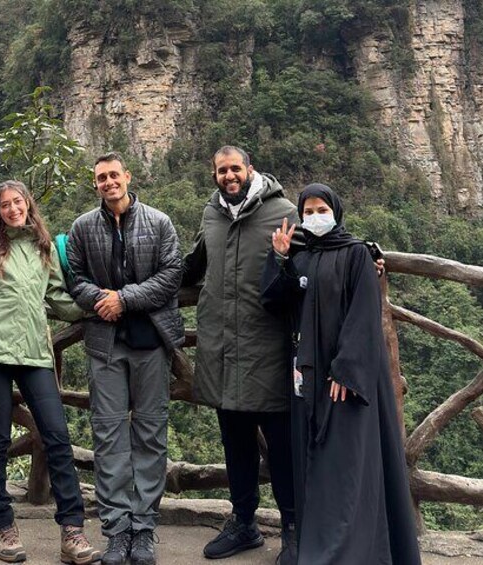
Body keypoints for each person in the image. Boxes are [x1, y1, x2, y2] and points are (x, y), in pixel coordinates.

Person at [262, 183, 421, 565]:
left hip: (344, 382)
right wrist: (280, 258)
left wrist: (346, 370)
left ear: (336, 211)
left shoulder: (356, 255)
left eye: (322, 210)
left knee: (347, 465)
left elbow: (364, 313)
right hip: (307, 379)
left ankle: (352, 552)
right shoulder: (301, 256)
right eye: (309, 211)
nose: (315, 217)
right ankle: (315, 547)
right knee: (313, 465)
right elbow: (274, 301)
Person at [0, 180, 101, 565]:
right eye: (5, 205)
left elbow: (57, 299)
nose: (13, 209)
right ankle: (3, 527)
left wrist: (95, 305)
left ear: (27, 204)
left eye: (17, 202)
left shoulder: (42, 247)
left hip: (35, 352)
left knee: (57, 436)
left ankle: (72, 530)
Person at [181, 146, 300, 563]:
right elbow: (194, 265)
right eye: (222, 171)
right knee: (235, 443)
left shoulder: (283, 212)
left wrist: (367, 260)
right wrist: (139, 285)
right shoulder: (211, 214)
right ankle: (244, 522)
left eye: (235, 169)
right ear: (214, 174)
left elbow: (315, 261)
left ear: (250, 169)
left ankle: (294, 528)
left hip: (268, 350)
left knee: (282, 447)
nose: (229, 176)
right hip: (222, 350)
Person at [67, 153, 184, 565]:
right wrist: (102, 300)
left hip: (151, 341)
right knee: (109, 435)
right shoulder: (83, 227)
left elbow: (172, 275)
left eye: (114, 175)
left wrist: (125, 299)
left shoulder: (159, 222)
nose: (108, 182)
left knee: (151, 433)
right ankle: (117, 530)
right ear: (95, 183)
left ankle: (144, 528)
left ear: (127, 177)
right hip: (105, 343)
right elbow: (74, 277)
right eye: (101, 177)